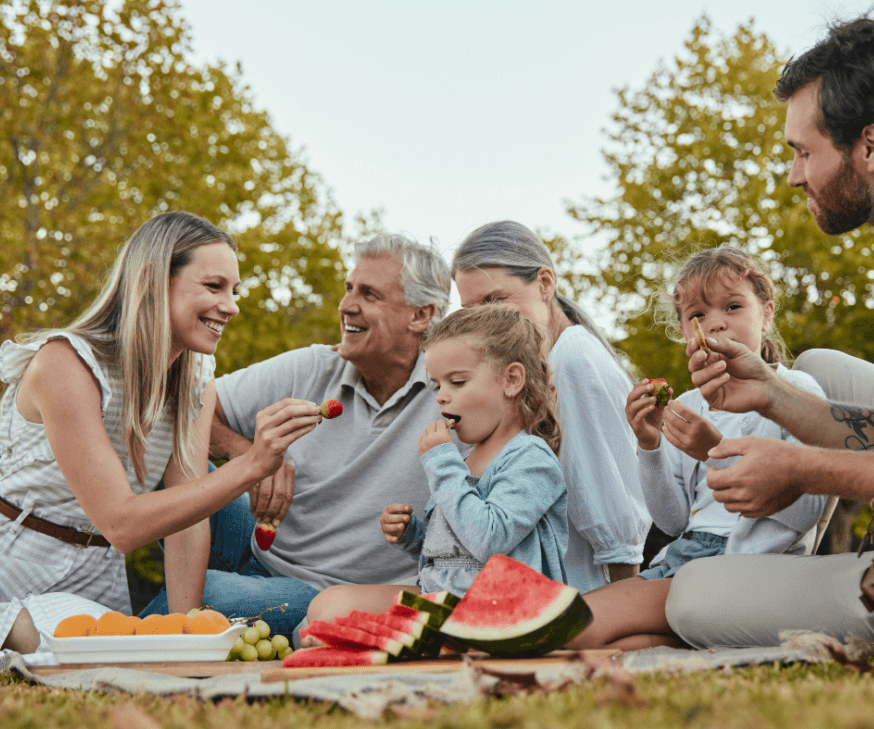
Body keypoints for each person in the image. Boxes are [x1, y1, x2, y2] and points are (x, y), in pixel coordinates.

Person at [658, 16, 874, 649]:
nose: (793, 176)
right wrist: (771, 393)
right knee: (818, 366)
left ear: (870, 147)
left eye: (804, 153)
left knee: (693, 595)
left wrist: (802, 470)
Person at [0, 212, 321, 663]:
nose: (232, 306)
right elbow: (121, 524)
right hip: (5, 559)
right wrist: (253, 465)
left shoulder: (196, 378)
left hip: (95, 573)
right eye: (214, 286)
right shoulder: (65, 365)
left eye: (233, 291)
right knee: (65, 651)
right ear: (153, 280)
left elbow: (189, 516)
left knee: (298, 601)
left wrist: (188, 635)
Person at [152, 234, 453, 635]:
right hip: (257, 537)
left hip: (325, 590)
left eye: (369, 294)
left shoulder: (452, 394)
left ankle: (126, 633)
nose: (347, 305)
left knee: (202, 596)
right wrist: (251, 458)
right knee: (162, 460)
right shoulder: (313, 366)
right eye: (349, 289)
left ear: (421, 315)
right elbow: (193, 409)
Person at [569, 246, 828, 650]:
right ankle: (712, 643)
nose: (716, 325)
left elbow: (807, 513)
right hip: (689, 555)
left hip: (752, 569)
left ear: (767, 313)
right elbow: (672, 522)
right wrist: (649, 445)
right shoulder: (688, 406)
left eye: (733, 307)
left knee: (579, 625)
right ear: (685, 331)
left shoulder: (797, 392)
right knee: (613, 641)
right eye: (697, 315)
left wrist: (716, 452)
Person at [301, 303, 568, 627]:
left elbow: (488, 539)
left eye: (457, 382)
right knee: (322, 608)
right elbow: (453, 554)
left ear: (511, 380)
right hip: (445, 598)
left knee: (328, 613)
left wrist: (442, 461)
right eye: (437, 385)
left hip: (500, 611)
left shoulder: (531, 458)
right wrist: (412, 535)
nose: (441, 397)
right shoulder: (465, 459)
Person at [451, 221, 649, 593]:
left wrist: (617, 619)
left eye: (495, 301)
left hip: (579, 597)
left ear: (545, 283)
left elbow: (616, 517)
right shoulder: (535, 370)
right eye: (469, 311)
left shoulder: (572, 359)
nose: (483, 323)